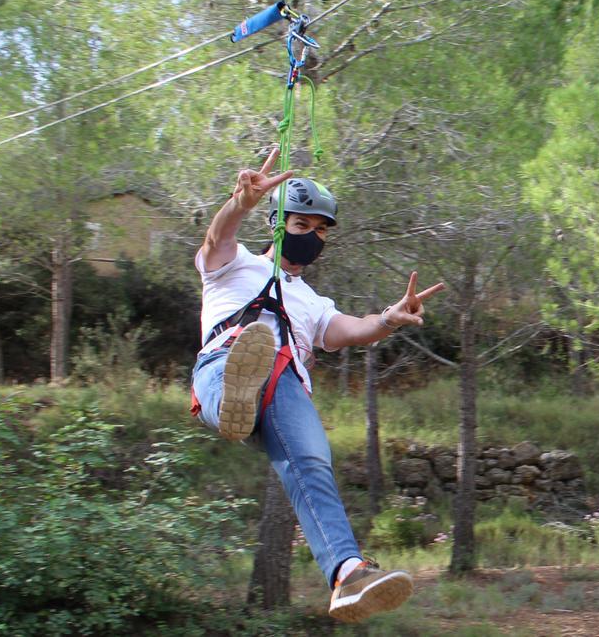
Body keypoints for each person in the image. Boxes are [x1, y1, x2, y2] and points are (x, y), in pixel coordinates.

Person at [189, 148, 444, 623]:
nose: (312, 237)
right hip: (222, 363)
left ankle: (347, 573)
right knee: (248, 358)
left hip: (282, 386)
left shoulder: (314, 302)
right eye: (301, 226)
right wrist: (239, 203)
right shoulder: (234, 263)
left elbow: (354, 329)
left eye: (321, 230)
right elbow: (215, 236)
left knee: (311, 464)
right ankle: (230, 402)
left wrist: (390, 317)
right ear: (276, 223)